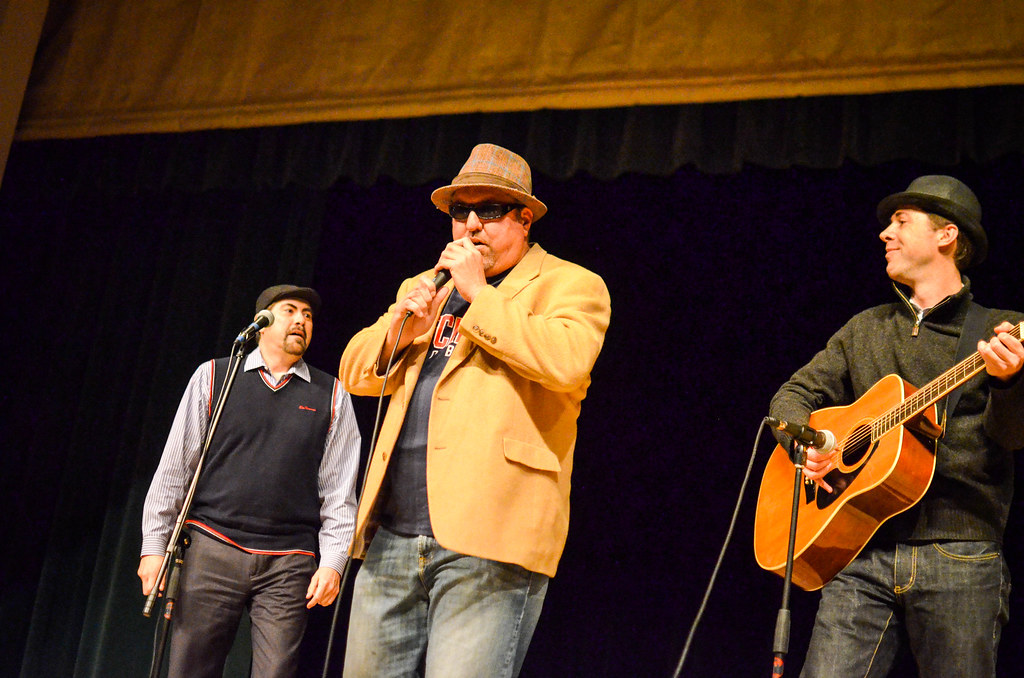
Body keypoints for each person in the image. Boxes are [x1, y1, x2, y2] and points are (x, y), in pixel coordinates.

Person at [338, 143, 611, 677]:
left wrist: (480, 294)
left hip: (491, 538)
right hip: (392, 537)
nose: (470, 225)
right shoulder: (426, 287)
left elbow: (566, 362)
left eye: (488, 210)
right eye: (460, 211)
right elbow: (354, 371)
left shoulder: (572, 284)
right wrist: (402, 330)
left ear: (524, 219)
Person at [769, 175, 1024, 677]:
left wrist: (1010, 382)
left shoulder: (1002, 331)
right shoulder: (865, 328)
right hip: (860, 548)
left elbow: (1012, 436)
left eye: (901, 222)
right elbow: (792, 396)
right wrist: (807, 444)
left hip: (961, 553)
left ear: (946, 235)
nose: (885, 233)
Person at [138, 284, 361, 678]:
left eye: (308, 315)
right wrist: (154, 546)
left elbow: (339, 493)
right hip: (212, 547)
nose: (301, 320)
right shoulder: (215, 377)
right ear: (262, 321)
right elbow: (175, 469)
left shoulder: (332, 395)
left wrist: (333, 563)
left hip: (288, 562)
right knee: (191, 669)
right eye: (289, 310)